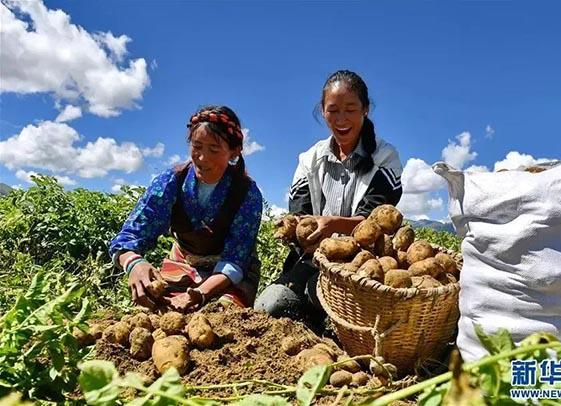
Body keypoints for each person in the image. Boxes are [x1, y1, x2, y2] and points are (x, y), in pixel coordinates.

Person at [254, 70, 403, 330]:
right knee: (270, 305)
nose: (342, 119)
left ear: (365, 110)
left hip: (366, 268)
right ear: (323, 111)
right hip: (314, 262)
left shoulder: (385, 158)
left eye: (350, 109)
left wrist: (334, 224)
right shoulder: (309, 160)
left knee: (351, 321)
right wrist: (300, 232)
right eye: (333, 110)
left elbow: (376, 221)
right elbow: (300, 216)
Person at [109, 105, 263, 312]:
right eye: (197, 146)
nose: (202, 157)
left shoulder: (247, 194)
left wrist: (200, 293)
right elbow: (131, 234)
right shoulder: (171, 181)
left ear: (234, 152)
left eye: (214, 150)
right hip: (183, 266)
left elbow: (236, 258)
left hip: (230, 275)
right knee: (157, 310)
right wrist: (134, 263)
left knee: (223, 316)